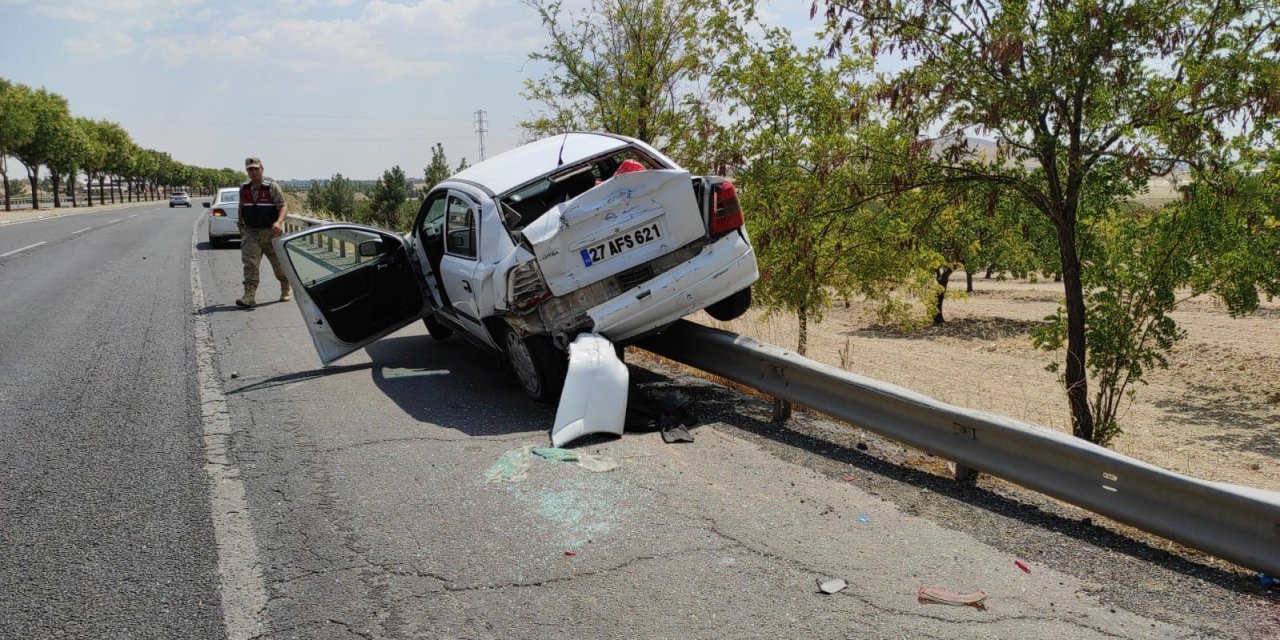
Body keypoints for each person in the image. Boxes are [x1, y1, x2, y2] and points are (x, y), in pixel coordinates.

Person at [236, 156, 291, 308]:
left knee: (279, 264)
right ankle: (249, 296)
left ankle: (285, 286)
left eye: (256, 168)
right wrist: (240, 222)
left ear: (262, 169)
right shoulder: (244, 188)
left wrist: (279, 222)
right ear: (247, 171)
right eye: (250, 169)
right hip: (251, 232)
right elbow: (241, 206)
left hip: (271, 233)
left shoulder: (272, 187)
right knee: (250, 264)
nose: (253, 172)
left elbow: (283, 206)